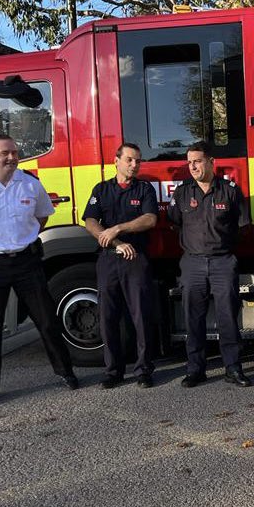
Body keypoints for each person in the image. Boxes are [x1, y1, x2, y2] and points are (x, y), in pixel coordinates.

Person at [0, 133, 78, 407]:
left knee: (46, 320)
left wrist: (25, 238)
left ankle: (66, 372)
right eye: (5, 153)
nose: (12, 157)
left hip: (26, 262)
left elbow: (42, 216)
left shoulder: (30, 184)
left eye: (15, 152)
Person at [168, 141, 252, 388]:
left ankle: (233, 368)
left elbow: (242, 226)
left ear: (211, 162)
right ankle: (196, 370)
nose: (193, 166)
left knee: (228, 316)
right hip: (192, 263)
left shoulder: (230, 190)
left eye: (198, 161)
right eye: (190, 162)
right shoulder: (182, 192)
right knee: (193, 318)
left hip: (223, 262)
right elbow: (175, 223)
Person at [83, 142, 159, 389]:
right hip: (109, 258)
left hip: (136, 258)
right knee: (108, 317)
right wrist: (115, 241)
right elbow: (91, 222)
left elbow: (149, 219)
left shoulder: (145, 189)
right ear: (116, 161)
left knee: (141, 316)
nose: (134, 165)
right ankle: (113, 371)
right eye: (129, 160)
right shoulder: (101, 189)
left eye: (138, 161)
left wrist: (118, 227)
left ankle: (144, 370)